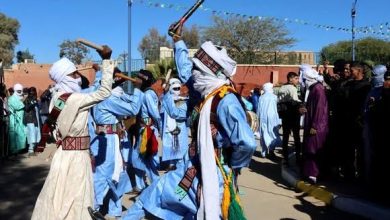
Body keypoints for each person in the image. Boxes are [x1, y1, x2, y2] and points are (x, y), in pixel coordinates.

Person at [123, 24, 256, 220]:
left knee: (203, 213)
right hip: (191, 166)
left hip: (214, 174)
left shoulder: (226, 101)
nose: (191, 73)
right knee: (153, 194)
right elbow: (185, 69)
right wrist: (178, 40)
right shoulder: (203, 91)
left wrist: (230, 165)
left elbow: (247, 142)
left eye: (196, 68)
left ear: (208, 71)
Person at [31, 46, 114, 220]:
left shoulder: (57, 98)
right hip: (76, 158)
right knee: (77, 202)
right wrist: (106, 60)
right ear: (65, 77)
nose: (78, 77)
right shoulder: (75, 99)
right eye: (74, 74)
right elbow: (105, 92)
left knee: (59, 200)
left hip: (63, 156)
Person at [89, 70, 143, 220]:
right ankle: (94, 208)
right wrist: (137, 88)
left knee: (117, 174)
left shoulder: (95, 93)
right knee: (105, 175)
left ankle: (115, 209)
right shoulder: (107, 98)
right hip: (109, 139)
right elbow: (133, 109)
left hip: (108, 138)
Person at [131, 69, 161, 191]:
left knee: (141, 157)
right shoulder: (143, 93)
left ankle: (152, 184)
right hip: (144, 128)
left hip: (147, 130)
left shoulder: (147, 94)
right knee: (141, 157)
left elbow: (154, 112)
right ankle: (144, 185)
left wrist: (159, 127)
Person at [299, 64, 328, 184]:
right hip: (311, 123)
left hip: (317, 126)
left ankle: (313, 175)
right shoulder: (313, 89)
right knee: (309, 148)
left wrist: (315, 126)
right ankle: (309, 173)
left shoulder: (318, 89)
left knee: (313, 149)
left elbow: (320, 109)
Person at [161, 78, 188, 170]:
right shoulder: (166, 99)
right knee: (171, 155)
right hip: (169, 131)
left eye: (178, 88)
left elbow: (176, 114)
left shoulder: (183, 100)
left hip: (180, 130)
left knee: (181, 156)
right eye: (174, 88)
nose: (177, 91)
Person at [278, 72, 303, 165]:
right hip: (293, 114)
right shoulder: (292, 88)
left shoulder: (282, 88)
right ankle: (298, 158)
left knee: (285, 137)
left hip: (284, 115)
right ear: (290, 79)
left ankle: (285, 158)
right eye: (296, 78)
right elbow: (295, 100)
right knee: (296, 136)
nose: (298, 80)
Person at [257, 82, 282, 158]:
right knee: (272, 133)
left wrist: (258, 118)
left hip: (262, 118)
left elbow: (258, 109)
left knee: (263, 134)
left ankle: (264, 152)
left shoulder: (261, 97)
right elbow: (277, 108)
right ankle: (271, 151)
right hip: (272, 118)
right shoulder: (274, 97)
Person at [7, 83, 26, 155]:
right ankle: (13, 150)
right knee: (13, 134)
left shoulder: (20, 98)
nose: (20, 93)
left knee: (21, 133)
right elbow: (17, 106)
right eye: (18, 91)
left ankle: (20, 148)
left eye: (21, 91)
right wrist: (23, 101)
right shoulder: (11, 98)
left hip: (21, 119)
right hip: (14, 119)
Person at [23, 87, 42, 156]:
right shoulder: (27, 99)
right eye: (31, 91)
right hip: (30, 120)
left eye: (34, 91)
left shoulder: (35, 100)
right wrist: (33, 104)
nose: (32, 93)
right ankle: (30, 150)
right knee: (31, 134)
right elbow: (26, 108)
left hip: (35, 120)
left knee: (36, 134)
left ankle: (33, 149)